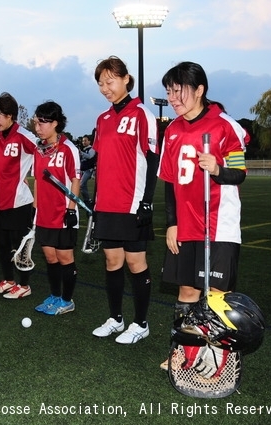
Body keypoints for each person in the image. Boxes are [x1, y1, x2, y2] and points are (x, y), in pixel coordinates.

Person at [157, 61, 249, 368]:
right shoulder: (171, 130)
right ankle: (184, 352)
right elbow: (169, 182)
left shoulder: (225, 125)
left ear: (199, 90)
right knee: (187, 290)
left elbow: (239, 173)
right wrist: (172, 223)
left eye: (178, 90)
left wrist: (218, 169)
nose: (172, 97)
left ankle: (219, 358)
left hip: (218, 225)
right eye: (169, 91)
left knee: (217, 293)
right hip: (186, 224)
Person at [90, 56, 159, 344]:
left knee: (135, 263)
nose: (105, 88)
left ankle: (140, 323)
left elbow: (153, 159)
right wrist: (95, 204)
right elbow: (101, 163)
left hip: (132, 204)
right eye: (101, 83)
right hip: (106, 204)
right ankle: (116, 319)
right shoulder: (102, 119)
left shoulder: (142, 113)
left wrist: (147, 202)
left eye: (110, 81)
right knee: (111, 261)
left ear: (126, 79)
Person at [0, 92, 36, 299]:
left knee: (20, 244)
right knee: (3, 243)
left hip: (20, 201)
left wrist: (29, 174)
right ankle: (9, 280)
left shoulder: (24, 135)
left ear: (10, 115)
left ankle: (24, 285)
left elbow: (43, 151)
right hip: (0, 199)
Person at [31, 101, 81, 315]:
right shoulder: (38, 149)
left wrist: (71, 209)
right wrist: (35, 206)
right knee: (50, 257)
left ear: (55, 123)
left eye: (42, 123)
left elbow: (75, 180)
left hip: (63, 214)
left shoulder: (68, 148)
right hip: (44, 213)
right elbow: (37, 180)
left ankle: (67, 300)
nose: (37, 127)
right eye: (36, 122)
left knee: (65, 258)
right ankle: (55, 295)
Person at [79, 135, 96, 208]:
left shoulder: (92, 149)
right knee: (83, 186)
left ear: (89, 141)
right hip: (83, 170)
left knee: (81, 185)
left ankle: (87, 200)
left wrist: (81, 153)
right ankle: (86, 201)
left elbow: (89, 156)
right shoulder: (84, 149)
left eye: (85, 140)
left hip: (88, 170)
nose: (84, 142)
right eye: (83, 141)